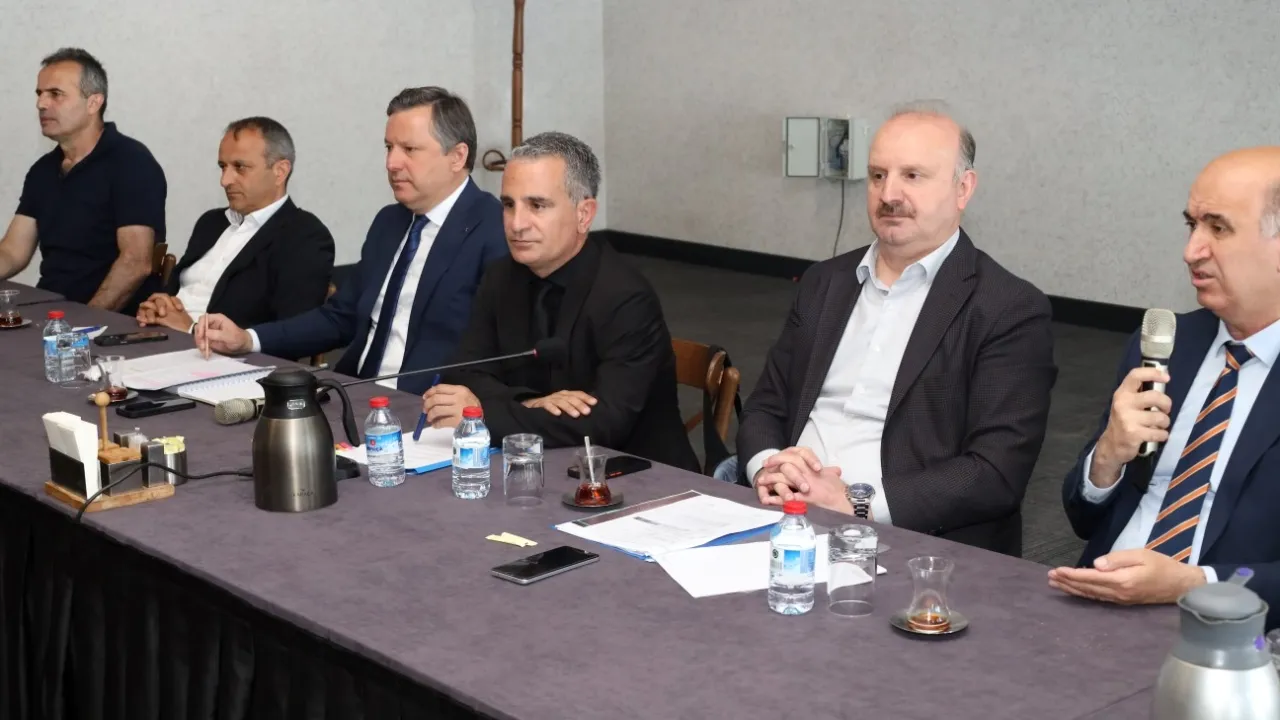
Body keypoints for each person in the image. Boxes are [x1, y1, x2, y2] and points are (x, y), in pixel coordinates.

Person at [737, 101, 1056, 556]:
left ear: (963, 189)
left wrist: (855, 505)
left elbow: (995, 471)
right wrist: (770, 468)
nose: (889, 194)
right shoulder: (824, 283)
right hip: (784, 514)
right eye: (877, 175)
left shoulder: (1008, 308)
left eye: (913, 176)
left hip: (910, 544)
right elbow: (766, 405)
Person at [1052, 147, 1280, 628]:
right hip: (1096, 601)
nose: (1191, 250)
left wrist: (1195, 583)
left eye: (1218, 228)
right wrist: (1107, 458)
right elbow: (1083, 519)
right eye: (1192, 225)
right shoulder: (1169, 344)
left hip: (1227, 632)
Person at [194, 87, 507, 394]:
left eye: (409, 149)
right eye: (389, 148)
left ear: (457, 156)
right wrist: (247, 339)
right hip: (352, 393)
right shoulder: (390, 222)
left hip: (426, 406)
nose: (392, 163)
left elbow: (502, 350)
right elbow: (340, 318)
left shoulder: (494, 230)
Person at [422, 131, 699, 472]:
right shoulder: (501, 277)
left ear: (584, 214)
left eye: (537, 206)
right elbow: (463, 373)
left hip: (636, 477)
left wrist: (485, 412)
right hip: (534, 465)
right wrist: (530, 402)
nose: (517, 224)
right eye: (508, 205)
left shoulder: (625, 297)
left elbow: (603, 424)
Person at [0, 48, 166, 313]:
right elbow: (12, 252)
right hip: (50, 311)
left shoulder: (131, 163)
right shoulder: (43, 170)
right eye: (39, 94)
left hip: (112, 321)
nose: (41, 104)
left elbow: (136, 261)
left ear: (93, 103)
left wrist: (82, 322)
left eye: (55, 94)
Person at [137, 117, 334, 333]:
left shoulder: (305, 237)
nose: (225, 180)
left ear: (280, 171)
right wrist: (159, 307)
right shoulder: (210, 223)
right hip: (160, 339)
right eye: (223, 167)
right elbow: (176, 295)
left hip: (219, 352)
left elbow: (293, 333)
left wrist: (192, 329)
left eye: (240, 167)